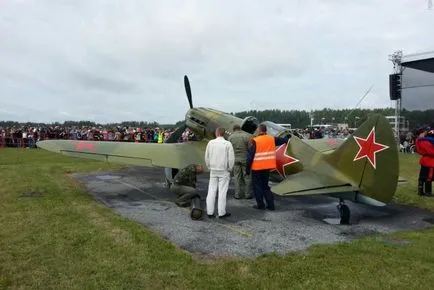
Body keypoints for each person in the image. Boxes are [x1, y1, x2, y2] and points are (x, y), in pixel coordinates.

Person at [246, 124, 290, 210]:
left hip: (257, 168)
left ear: (259, 131)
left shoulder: (255, 140)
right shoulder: (272, 139)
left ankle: (261, 205)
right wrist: (290, 139)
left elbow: (250, 157)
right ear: (265, 131)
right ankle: (271, 205)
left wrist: (247, 169)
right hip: (267, 168)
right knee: (265, 187)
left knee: (257, 187)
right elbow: (285, 141)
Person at [205, 127, 235, 218]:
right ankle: (221, 213)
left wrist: (209, 166)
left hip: (213, 170)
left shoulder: (210, 143)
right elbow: (231, 158)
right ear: (223, 133)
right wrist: (230, 168)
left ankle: (210, 212)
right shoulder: (227, 144)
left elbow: (207, 157)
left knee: (211, 191)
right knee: (222, 192)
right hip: (224, 170)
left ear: (216, 133)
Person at [228, 124, 253, 199]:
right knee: (247, 177)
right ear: (240, 129)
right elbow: (250, 148)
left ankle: (237, 194)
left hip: (235, 159)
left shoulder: (230, 137)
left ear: (234, 129)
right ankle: (247, 194)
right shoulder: (246, 136)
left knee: (237, 177)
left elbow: (229, 150)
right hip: (245, 159)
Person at [415, 125, 434, 196]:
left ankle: (420, 191)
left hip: (424, 160)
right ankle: (428, 192)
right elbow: (432, 152)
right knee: (429, 177)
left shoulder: (418, 140)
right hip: (430, 161)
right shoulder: (425, 141)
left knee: (422, 176)